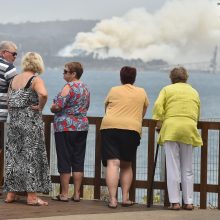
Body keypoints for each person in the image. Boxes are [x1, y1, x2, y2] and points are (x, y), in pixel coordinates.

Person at [4, 52, 52, 206]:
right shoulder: (35, 79)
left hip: (15, 123)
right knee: (30, 156)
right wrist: (40, 107)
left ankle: (10, 194)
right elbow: (43, 94)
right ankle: (31, 196)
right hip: (30, 123)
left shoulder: (13, 80)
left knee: (14, 157)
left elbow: (9, 100)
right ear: (38, 64)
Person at [152, 66, 203, 211]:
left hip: (171, 129)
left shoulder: (167, 89)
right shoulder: (194, 91)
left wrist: (159, 121)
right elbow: (197, 111)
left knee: (173, 166)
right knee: (187, 167)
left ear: (172, 78)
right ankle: (189, 202)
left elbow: (157, 105)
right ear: (186, 77)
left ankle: (175, 202)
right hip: (188, 128)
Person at [100, 66, 149, 208]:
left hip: (110, 127)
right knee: (126, 165)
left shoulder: (114, 90)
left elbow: (107, 109)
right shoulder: (141, 92)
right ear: (134, 78)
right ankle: (125, 198)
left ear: (121, 77)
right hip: (131, 128)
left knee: (112, 163)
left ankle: (112, 199)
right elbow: (142, 112)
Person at [50, 62, 90, 202]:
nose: (63, 73)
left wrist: (52, 107)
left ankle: (64, 194)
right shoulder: (85, 88)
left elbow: (58, 106)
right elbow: (87, 106)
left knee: (65, 159)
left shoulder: (68, 87)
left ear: (73, 74)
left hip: (66, 127)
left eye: (66, 71)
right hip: (82, 126)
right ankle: (77, 194)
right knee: (78, 160)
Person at [0, 41, 17, 154]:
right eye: (14, 54)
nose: (15, 57)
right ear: (3, 53)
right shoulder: (8, 67)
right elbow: (16, 89)